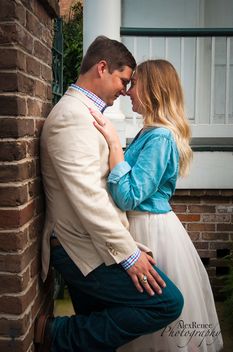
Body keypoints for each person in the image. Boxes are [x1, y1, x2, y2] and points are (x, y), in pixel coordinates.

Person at [35, 37, 184, 352]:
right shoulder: (72, 117)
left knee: (100, 335)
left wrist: (130, 246)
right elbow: (90, 197)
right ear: (102, 68)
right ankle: (57, 334)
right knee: (167, 304)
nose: (125, 90)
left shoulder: (85, 111)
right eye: (123, 80)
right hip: (80, 248)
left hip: (92, 242)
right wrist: (129, 256)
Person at [91, 59, 223, 352]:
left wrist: (114, 145)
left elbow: (128, 195)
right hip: (141, 226)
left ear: (152, 90)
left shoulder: (160, 137)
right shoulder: (149, 133)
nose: (128, 91)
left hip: (151, 231)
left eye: (135, 83)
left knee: (156, 323)